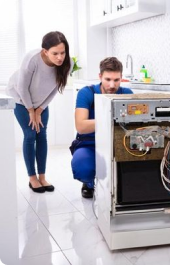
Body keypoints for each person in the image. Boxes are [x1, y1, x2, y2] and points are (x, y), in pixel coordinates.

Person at [6, 31, 72, 193]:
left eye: (62, 53)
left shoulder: (66, 63)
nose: (59, 57)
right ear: (45, 51)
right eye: (55, 53)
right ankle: (32, 178)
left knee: (41, 134)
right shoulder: (32, 59)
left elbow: (56, 87)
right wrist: (30, 110)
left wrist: (40, 109)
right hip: (21, 99)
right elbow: (21, 87)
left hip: (41, 103)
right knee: (30, 134)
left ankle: (42, 177)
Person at [71, 57, 133, 198]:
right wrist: (112, 118)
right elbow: (81, 126)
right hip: (89, 143)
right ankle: (88, 182)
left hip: (117, 143)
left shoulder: (126, 93)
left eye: (116, 80)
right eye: (107, 79)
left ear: (121, 78)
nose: (112, 85)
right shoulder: (86, 93)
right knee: (84, 168)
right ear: (100, 76)